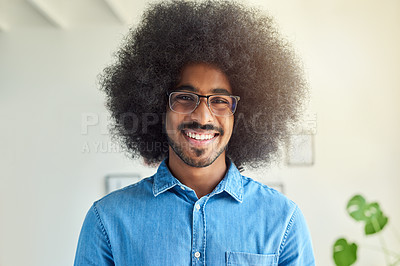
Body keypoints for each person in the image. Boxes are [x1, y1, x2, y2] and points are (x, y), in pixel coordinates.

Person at [74, 0, 315, 265]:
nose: (202, 116)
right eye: (185, 97)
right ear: (156, 106)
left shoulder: (282, 220)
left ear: (241, 115)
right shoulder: (108, 220)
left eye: (220, 101)